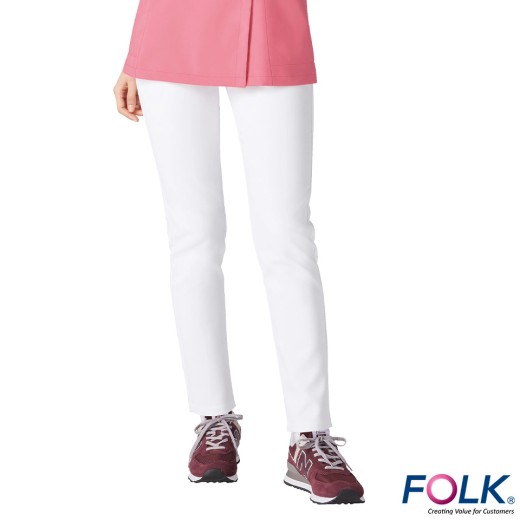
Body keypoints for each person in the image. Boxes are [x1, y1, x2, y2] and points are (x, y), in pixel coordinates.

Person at [113, 0, 364, 505]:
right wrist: (136, 54)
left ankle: (309, 435)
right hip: (169, 30)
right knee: (193, 235)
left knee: (287, 237)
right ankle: (214, 419)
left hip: (270, 23)